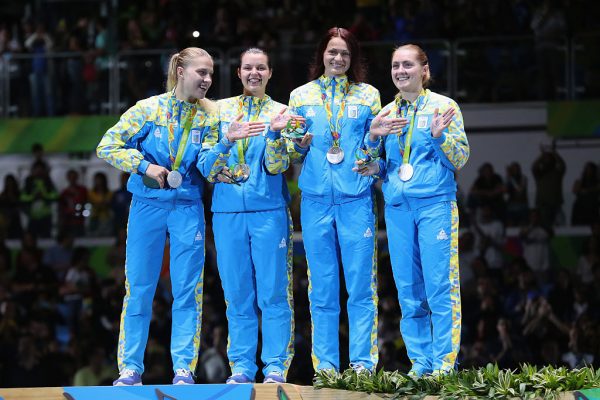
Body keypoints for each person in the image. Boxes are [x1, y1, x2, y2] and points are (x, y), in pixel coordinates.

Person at [96, 47, 219, 386]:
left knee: (187, 290)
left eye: (211, 74)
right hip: (147, 205)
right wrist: (145, 166)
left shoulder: (210, 117)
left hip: (188, 206)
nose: (208, 80)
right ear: (180, 70)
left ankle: (183, 369)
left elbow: (208, 167)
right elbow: (107, 146)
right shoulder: (147, 110)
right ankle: (130, 370)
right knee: (138, 288)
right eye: (202, 73)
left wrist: (224, 151)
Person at [197, 48, 300, 384]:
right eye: (247, 68)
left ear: (270, 73)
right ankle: (241, 367)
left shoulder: (282, 112)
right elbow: (206, 167)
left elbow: (278, 165)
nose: (254, 73)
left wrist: (273, 134)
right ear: (238, 72)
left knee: (273, 293)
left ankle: (274, 368)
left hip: (269, 211)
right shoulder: (218, 110)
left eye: (260, 68)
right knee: (237, 294)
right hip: (227, 213)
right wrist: (226, 141)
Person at [366, 44, 469, 376]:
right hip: (397, 209)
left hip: (435, 206)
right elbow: (374, 165)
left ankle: (444, 364)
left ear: (424, 69)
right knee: (408, 290)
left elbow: (460, 159)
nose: (400, 71)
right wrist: (371, 139)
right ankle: (421, 363)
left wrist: (440, 137)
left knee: (440, 285)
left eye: (408, 64)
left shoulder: (443, 107)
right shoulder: (385, 112)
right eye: (395, 65)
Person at [286, 27, 382, 374]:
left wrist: (372, 149)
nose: (338, 58)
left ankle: (362, 364)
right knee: (321, 286)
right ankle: (325, 364)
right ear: (321, 55)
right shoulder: (300, 96)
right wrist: (298, 143)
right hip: (314, 200)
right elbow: (293, 153)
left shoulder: (369, 95)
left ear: (352, 57)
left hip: (356, 198)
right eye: (332, 52)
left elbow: (377, 147)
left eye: (344, 53)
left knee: (360, 285)